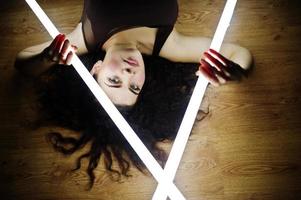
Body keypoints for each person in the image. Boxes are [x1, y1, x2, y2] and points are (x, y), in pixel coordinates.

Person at [15, 0, 252, 188]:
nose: (129, 73)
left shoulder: (83, 39)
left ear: (96, 69)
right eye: (134, 87)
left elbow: (23, 63)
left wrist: (47, 57)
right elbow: (238, 53)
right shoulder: (170, 45)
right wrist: (235, 73)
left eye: (114, 80)